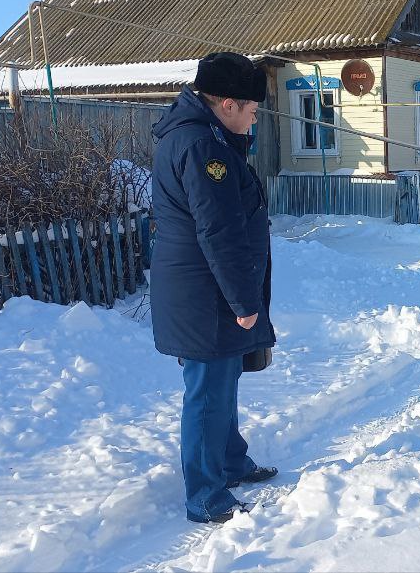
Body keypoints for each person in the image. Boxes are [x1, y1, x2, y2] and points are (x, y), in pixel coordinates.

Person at [150, 52, 278, 524]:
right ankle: (206, 495)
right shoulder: (204, 148)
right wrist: (244, 301)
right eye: (251, 108)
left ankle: (229, 461)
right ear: (227, 103)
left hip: (208, 288)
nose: (255, 117)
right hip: (206, 294)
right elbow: (218, 230)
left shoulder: (208, 138)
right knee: (207, 393)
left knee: (224, 384)